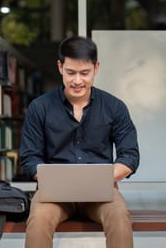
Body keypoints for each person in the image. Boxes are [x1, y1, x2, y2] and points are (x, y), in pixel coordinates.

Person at [20, 35, 140, 248]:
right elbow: (29, 158)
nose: (77, 80)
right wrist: (52, 178)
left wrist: (102, 177)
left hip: (102, 192)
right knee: (38, 220)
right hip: (54, 194)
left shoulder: (114, 107)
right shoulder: (40, 108)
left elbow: (130, 156)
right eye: (71, 72)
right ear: (60, 67)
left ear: (96, 68)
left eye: (85, 73)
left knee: (119, 217)